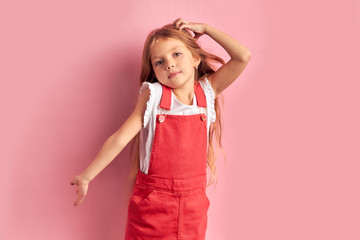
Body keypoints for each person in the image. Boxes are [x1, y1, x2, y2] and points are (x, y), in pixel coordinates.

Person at [70, 18, 251, 239]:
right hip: (152, 205)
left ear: (195, 58)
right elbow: (120, 139)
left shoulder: (207, 91)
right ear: (154, 72)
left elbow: (243, 57)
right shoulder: (153, 95)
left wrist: (207, 29)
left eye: (177, 54)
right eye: (159, 61)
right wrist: (87, 176)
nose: (169, 64)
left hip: (193, 204)